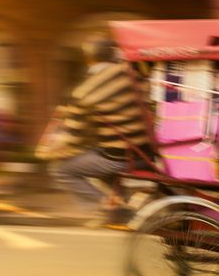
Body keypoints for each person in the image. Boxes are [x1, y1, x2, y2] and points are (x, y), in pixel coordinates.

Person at [36, 34, 151, 227]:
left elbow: (73, 137)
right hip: (145, 152)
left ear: (89, 59)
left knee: (62, 169)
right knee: (95, 155)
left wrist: (51, 151)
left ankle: (109, 209)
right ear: (113, 53)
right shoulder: (133, 75)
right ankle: (117, 201)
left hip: (120, 158)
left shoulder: (85, 92)